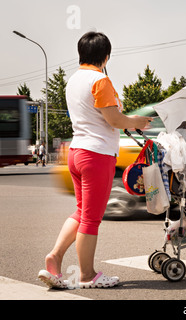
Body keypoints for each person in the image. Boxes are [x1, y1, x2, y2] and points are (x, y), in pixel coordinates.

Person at [38, 32, 152, 289]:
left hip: (76, 152)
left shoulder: (73, 80)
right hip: (96, 155)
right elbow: (114, 120)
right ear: (106, 56)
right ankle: (87, 275)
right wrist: (138, 122)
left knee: (81, 212)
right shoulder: (101, 80)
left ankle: (55, 256)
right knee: (90, 218)